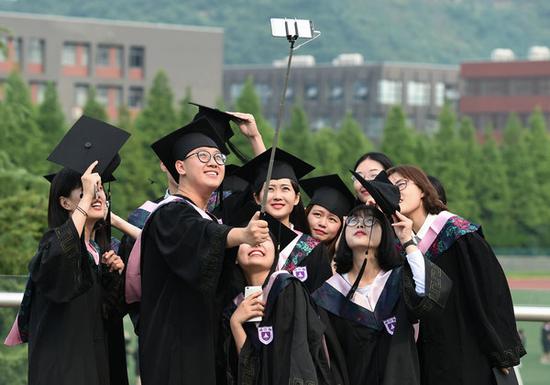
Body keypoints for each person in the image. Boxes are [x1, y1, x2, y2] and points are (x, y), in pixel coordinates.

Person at [137, 117, 270, 385]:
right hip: (176, 348)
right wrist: (241, 235)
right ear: (180, 167)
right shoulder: (169, 213)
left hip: (205, 343)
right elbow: (198, 236)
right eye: (202, 156)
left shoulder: (205, 217)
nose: (214, 162)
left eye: (219, 158)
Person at [5, 115, 131, 385]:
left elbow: (109, 314)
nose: (97, 195)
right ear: (64, 202)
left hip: (95, 364)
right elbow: (61, 258)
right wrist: (87, 198)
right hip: (62, 366)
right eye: (86, 190)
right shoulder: (53, 243)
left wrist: (113, 275)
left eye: (100, 190)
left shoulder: (99, 252)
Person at [387, 165, 525, 385]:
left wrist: (501, 348)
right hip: (426, 355)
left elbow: (490, 290)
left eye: (401, 184)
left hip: (467, 349)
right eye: (389, 189)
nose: (395, 192)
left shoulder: (457, 234)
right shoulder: (400, 243)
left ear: (422, 189)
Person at [312, 203, 451, 385]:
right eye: (353, 221)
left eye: (370, 221)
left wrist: (408, 241)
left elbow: (430, 293)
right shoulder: (328, 295)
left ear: (385, 232)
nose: (360, 225)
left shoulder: (399, 280)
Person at [224, 226, 347, 385]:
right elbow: (248, 371)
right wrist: (236, 324)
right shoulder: (233, 307)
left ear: (275, 254)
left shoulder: (286, 288)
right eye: (248, 240)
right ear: (235, 257)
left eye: (264, 240)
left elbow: (296, 358)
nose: (256, 244)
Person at [235, 148, 333, 292]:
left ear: (296, 198)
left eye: (285, 189)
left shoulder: (312, 248)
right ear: (257, 198)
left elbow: (322, 303)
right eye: (270, 189)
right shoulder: (242, 241)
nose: (277, 196)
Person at [301, 174, 355, 257]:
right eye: (317, 214)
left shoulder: (345, 264)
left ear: (342, 227)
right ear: (306, 213)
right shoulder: (285, 248)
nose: (322, 224)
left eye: (332, 219)